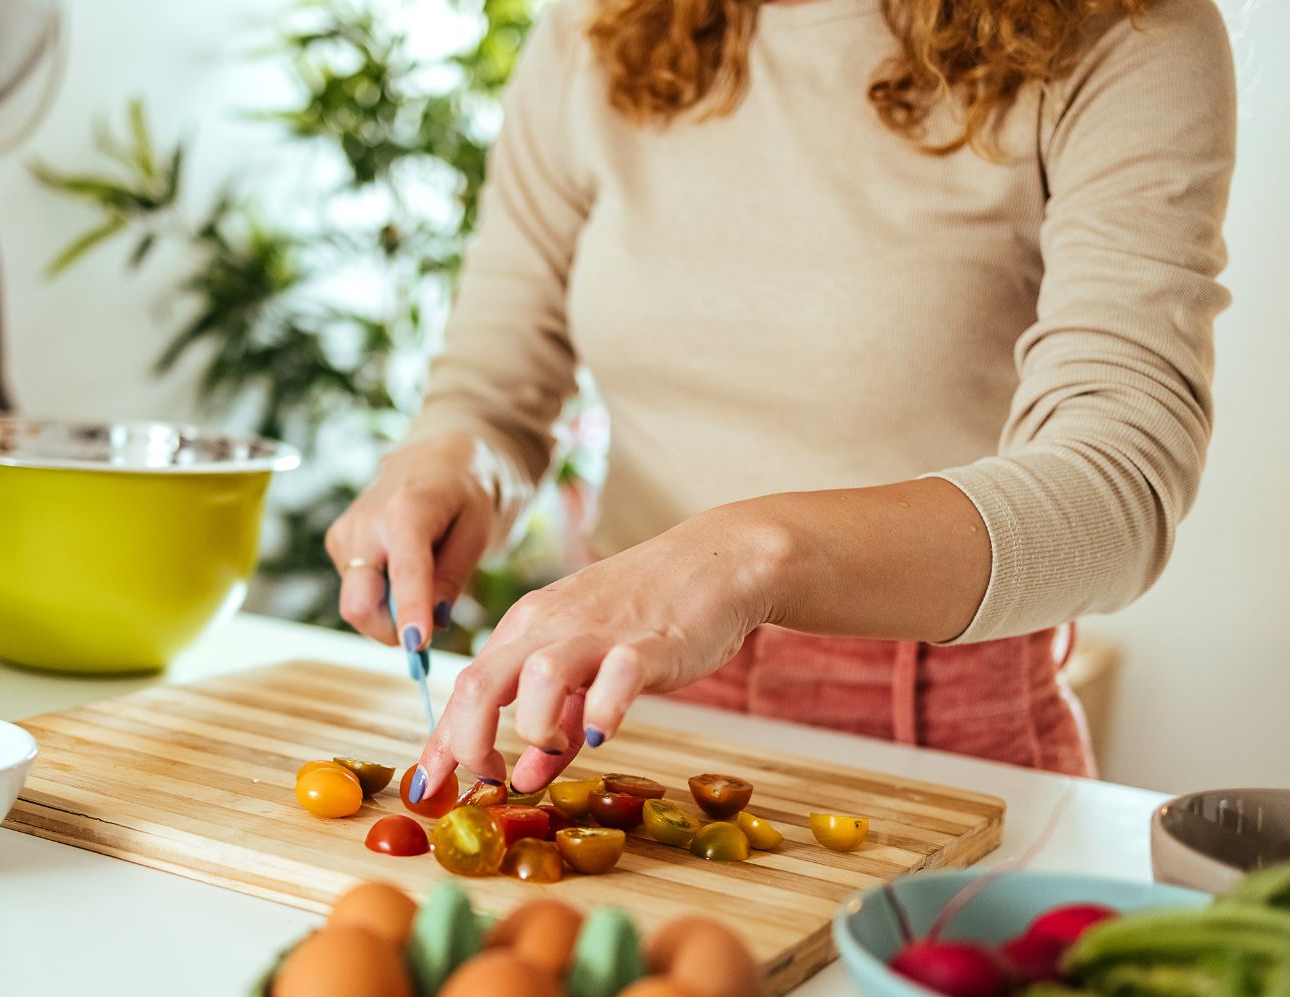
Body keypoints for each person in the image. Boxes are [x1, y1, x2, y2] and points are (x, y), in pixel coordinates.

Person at [326, 0, 1235, 798]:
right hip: (614, 710)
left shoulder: (1123, 30)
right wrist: (446, 467)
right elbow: (491, 389)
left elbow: (1118, 487)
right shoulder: (592, 26)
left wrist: (746, 560)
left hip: (942, 736)